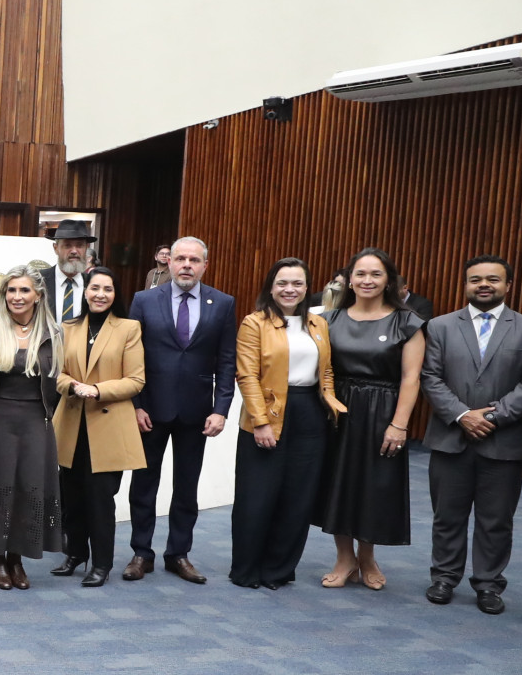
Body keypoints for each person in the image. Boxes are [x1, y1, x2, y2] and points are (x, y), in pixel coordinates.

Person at [419, 256, 522, 614]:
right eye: (475, 279)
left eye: (492, 279)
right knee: (447, 515)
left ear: (508, 285)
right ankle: (444, 577)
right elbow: (430, 377)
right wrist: (462, 415)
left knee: (495, 519)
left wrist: (491, 416)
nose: (483, 285)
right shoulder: (440, 327)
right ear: (465, 285)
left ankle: (489, 585)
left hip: (503, 440)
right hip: (451, 436)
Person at [125, 237, 236, 584]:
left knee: (186, 487)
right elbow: (131, 356)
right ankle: (141, 552)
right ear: (168, 262)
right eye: (180, 258)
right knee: (144, 485)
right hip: (150, 410)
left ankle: (178, 554)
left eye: (194, 260)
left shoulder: (223, 303)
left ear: (205, 265)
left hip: (197, 412)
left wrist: (221, 409)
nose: (187, 265)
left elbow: (227, 360)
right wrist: (135, 405)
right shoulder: (143, 300)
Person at [228, 259, 344, 589]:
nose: (289, 289)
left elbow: (327, 371)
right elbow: (247, 375)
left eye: (297, 283)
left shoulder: (318, 324)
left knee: (298, 495)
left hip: (310, 413)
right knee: (257, 495)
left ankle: (278, 569)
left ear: (307, 288)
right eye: (282, 283)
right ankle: (247, 570)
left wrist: (332, 404)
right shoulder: (255, 323)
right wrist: (261, 422)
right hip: (267, 413)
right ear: (270, 287)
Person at [315, 248, 426, 590]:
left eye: (375, 274)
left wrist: (399, 424)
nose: (367, 280)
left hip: (383, 411)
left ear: (389, 280)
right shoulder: (329, 320)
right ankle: (344, 558)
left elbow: (411, 378)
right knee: (338, 483)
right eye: (360, 274)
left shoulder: (406, 321)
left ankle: (367, 557)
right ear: (349, 279)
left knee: (374, 485)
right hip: (337, 410)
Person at [0, 266, 61, 589]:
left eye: (24, 290)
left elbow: (59, 381)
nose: (17, 297)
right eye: (11, 291)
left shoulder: (53, 332)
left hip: (35, 421)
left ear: (38, 295)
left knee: (28, 487)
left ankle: (17, 558)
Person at [50, 267, 146, 585]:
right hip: (72, 423)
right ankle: (75, 554)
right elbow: (58, 372)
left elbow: (136, 380)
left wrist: (99, 390)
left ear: (116, 294)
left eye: (107, 288)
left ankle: (101, 563)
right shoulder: (69, 327)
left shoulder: (129, 328)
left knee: (100, 499)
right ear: (85, 292)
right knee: (72, 495)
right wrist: (74, 386)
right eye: (94, 288)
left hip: (107, 425)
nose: (100, 294)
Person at [36, 219, 97, 324]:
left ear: (86, 248)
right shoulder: (38, 280)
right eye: (67, 245)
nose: (74, 251)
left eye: (79, 245)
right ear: (56, 248)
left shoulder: (93, 282)